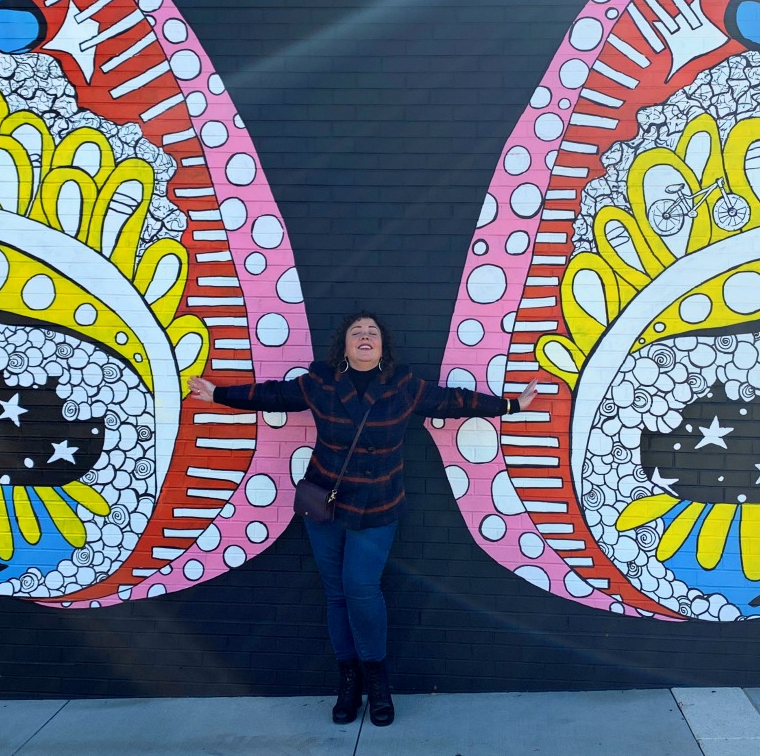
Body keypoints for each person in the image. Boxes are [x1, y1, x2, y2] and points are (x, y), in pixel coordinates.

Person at [187, 310, 537, 727]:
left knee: (360, 587)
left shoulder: (403, 385)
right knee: (336, 593)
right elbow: (274, 396)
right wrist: (219, 395)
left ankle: (377, 680)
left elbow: (453, 401)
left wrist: (511, 405)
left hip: (378, 504)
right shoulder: (320, 382)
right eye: (357, 332)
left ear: (382, 345)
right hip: (325, 504)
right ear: (346, 344)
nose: (366, 336)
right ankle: (348, 679)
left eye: (373, 331)